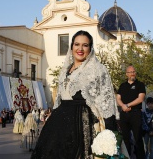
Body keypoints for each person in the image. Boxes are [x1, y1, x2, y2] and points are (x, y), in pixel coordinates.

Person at [31, 30, 120, 159]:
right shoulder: (65, 69)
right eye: (77, 44)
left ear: (90, 48)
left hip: (83, 125)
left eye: (85, 45)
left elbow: (107, 103)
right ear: (71, 46)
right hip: (58, 126)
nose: (80, 48)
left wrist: (110, 134)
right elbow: (59, 100)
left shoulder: (98, 69)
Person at [116, 65, 146, 159]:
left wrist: (128, 105)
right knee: (125, 139)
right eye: (130, 72)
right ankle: (126, 157)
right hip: (124, 114)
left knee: (137, 138)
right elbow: (118, 98)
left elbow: (140, 98)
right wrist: (123, 106)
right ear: (126, 74)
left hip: (135, 113)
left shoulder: (140, 84)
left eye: (134, 71)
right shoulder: (122, 85)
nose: (132, 73)